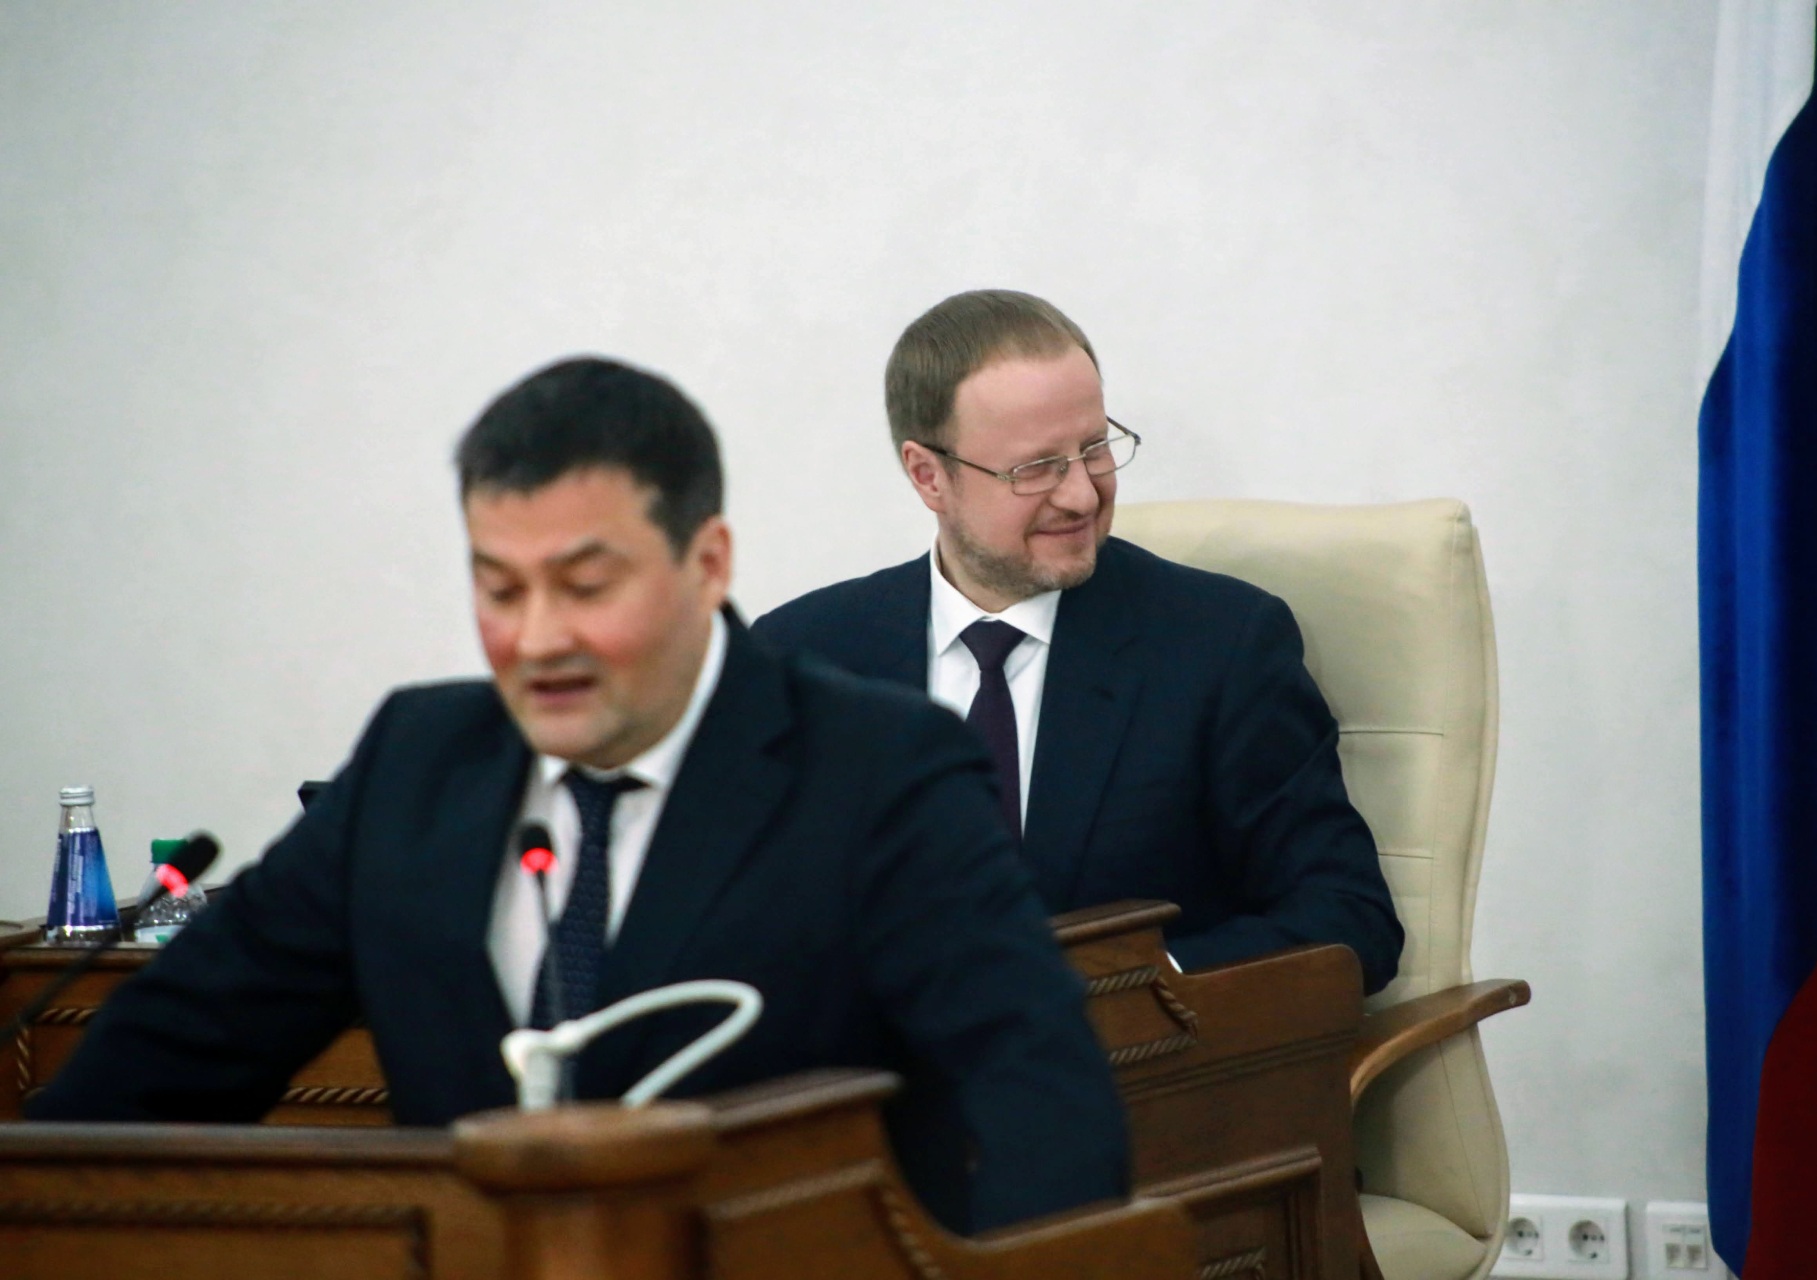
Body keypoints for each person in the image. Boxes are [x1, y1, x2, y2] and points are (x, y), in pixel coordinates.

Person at [27, 356, 1130, 1234]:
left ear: (707, 562)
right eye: (500, 589)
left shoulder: (881, 769)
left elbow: (1047, 1111)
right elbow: (162, 1066)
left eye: (587, 586)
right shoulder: (416, 767)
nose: (540, 638)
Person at [754, 291, 1403, 991]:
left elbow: (1347, 920)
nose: (1083, 496)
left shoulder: (1221, 645)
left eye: (1095, 449)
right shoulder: (800, 658)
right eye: (1034, 468)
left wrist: (1126, 990)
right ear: (929, 476)